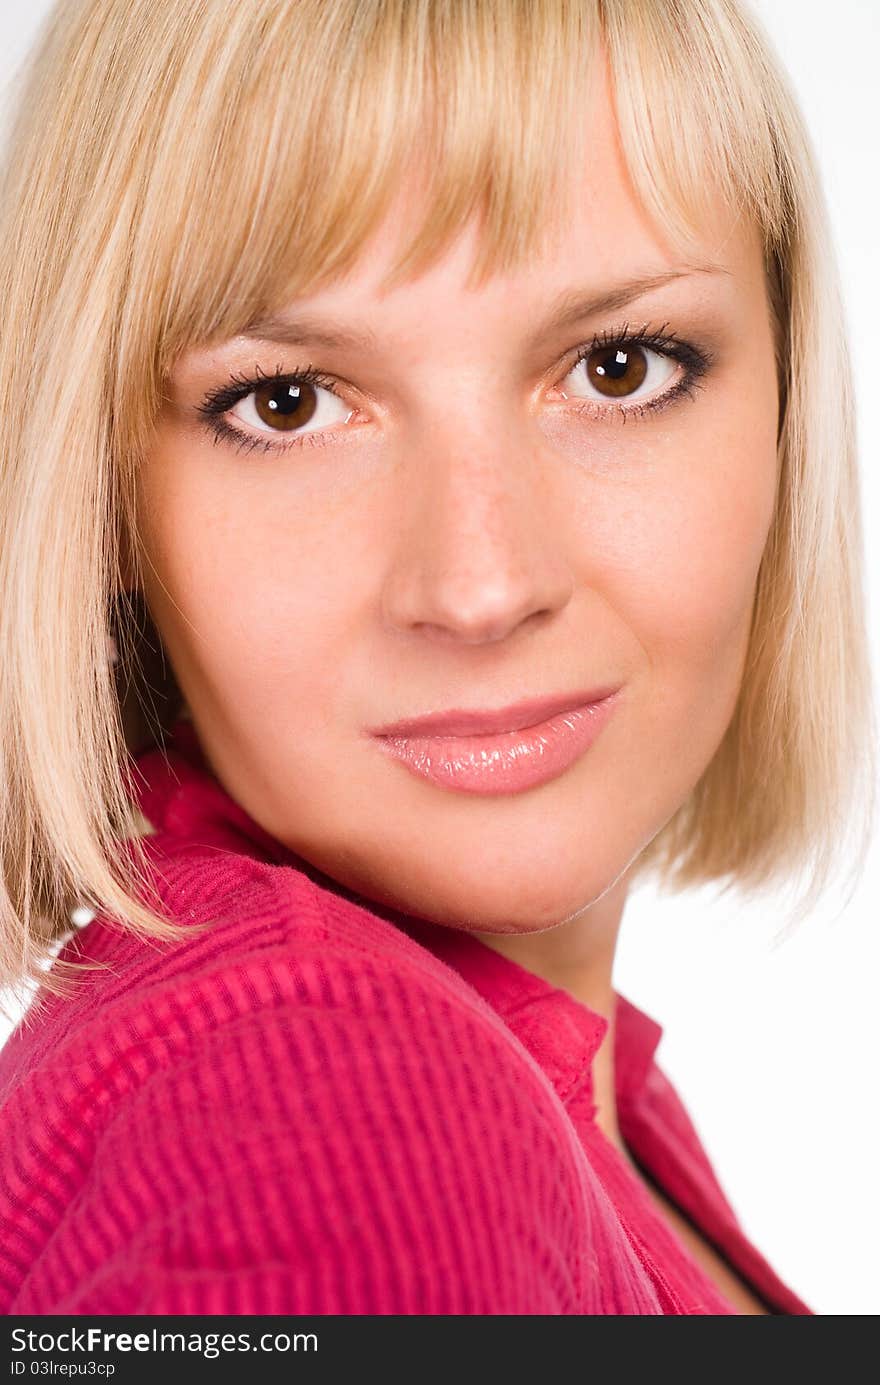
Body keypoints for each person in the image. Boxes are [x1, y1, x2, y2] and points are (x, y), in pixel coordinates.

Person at [0, 0, 874, 1316]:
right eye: (286, 401)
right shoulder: (343, 1088)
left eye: (619, 367)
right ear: (105, 491)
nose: (482, 586)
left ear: (786, 409)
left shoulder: (596, 1097)